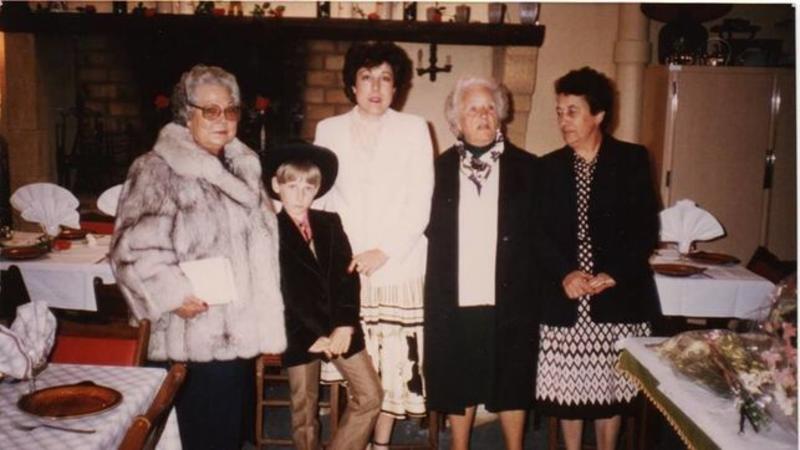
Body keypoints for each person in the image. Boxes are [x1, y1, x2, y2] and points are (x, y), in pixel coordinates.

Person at [110, 64, 286, 450]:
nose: (223, 119)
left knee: (226, 435)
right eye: (210, 110)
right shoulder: (156, 168)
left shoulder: (243, 167)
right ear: (185, 113)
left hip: (237, 335)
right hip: (189, 336)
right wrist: (173, 295)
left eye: (230, 110)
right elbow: (130, 250)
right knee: (197, 438)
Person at [313, 41, 434, 448]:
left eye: (385, 78)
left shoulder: (415, 128)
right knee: (356, 369)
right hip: (347, 270)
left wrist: (384, 252)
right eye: (367, 77)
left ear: (397, 86)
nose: (376, 87)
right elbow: (322, 200)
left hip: (398, 268)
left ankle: (379, 444)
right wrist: (331, 256)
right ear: (352, 84)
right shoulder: (328, 130)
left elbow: (421, 202)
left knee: (391, 372)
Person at [534, 67, 660, 450]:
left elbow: (644, 230)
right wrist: (565, 273)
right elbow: (536, 233)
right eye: (559, 112)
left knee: (611, 391)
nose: (563, 121)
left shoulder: (632, 160)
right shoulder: (548, 167)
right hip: (567, 294)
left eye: (572, 111)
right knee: (569, 393)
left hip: (616, 292)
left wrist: (614, 273)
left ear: (599, 114)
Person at [424, 76, 539, 450]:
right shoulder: (435, 171)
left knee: (512, 378)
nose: (484, 115)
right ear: (456, 120)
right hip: (457, 293)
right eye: (473, 109)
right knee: (460, 378)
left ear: (501, 115)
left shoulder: (529, 169)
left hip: (510, 295)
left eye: (490, 107)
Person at [265, 142, 382, 450]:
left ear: (318, 189)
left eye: (309, 187)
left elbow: (347, 278)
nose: (300, 194)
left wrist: (345, 325)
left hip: (339, 328)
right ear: (276, 185)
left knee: (370, 396)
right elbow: (273, 293)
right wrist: (307, 336)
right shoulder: (267, 231)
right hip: (298, 332)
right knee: (304, 413)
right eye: (292, 185)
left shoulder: (330, 223)